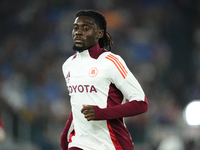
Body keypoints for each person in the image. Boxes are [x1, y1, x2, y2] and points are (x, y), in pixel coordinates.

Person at [61, 10, 148, 150]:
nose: (78, 32)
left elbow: (141, 103)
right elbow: (77, 105)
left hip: (111, 144)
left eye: (85, 28)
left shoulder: (111, 62)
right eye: (75, 28)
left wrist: (101, 113)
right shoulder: (68, 65)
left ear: (99, 34)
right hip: (79, 143)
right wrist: (65, 136)